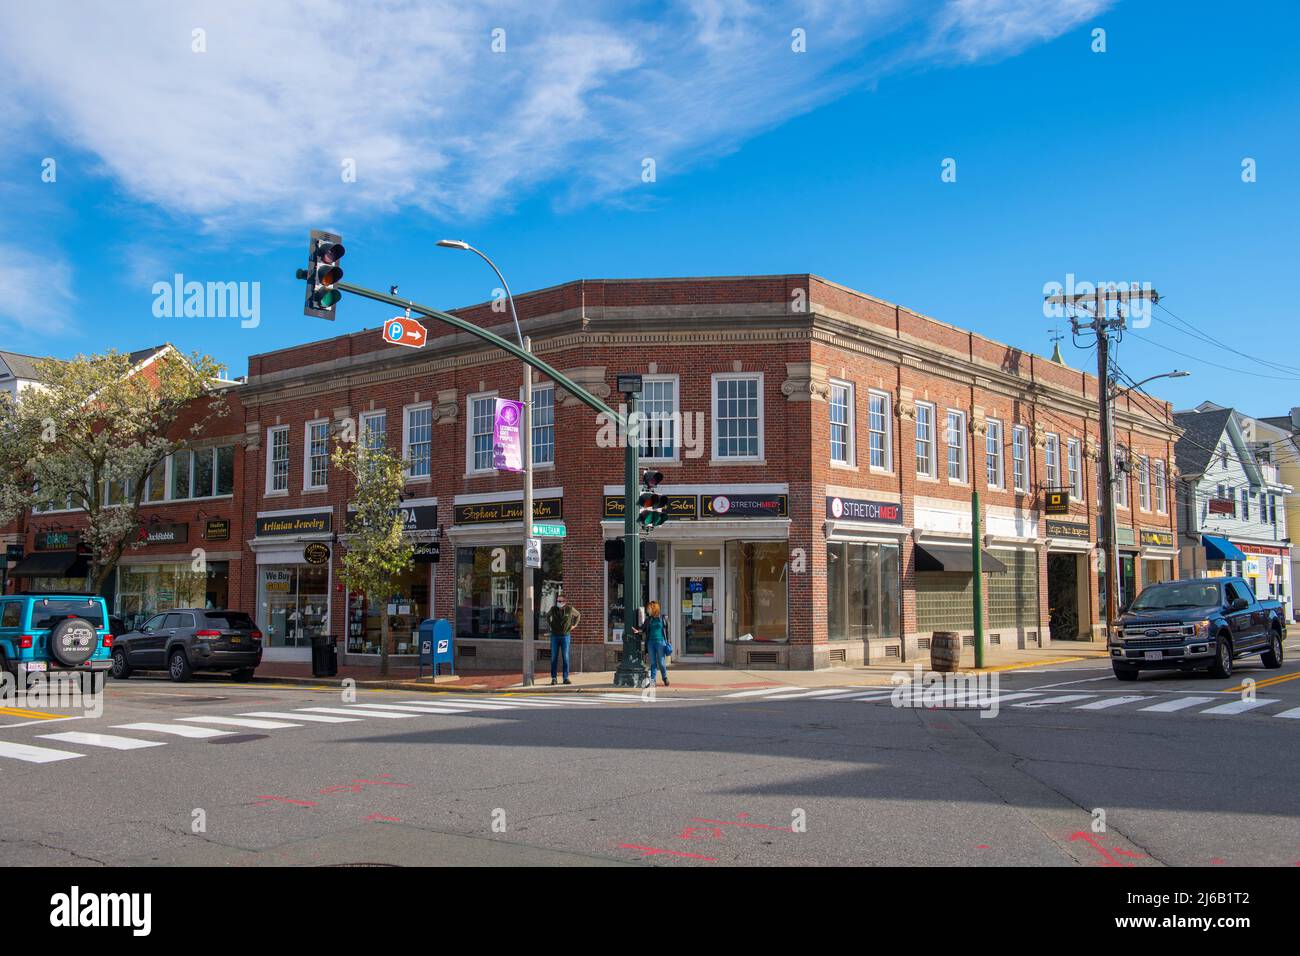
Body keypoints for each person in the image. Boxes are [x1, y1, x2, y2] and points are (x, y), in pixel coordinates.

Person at [546, 592, 581, 685]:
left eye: (560, 601)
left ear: (565, 601)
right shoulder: (553, 609)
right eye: (557, 600)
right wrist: (551, 625)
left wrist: (574, 625)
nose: (558, 602)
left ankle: (565, 678)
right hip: (555, 636)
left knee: (565, 657)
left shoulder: (569, 609)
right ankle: (554, 678)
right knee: (554, 657)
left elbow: (578, 615)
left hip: (565, 636)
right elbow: (547, 616)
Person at [644, 599, 669, 686]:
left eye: (649, 608)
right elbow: (643, 628)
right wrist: (638, 631)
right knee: (653, 662)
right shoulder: (649, 619)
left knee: (661, 663)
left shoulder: (663, 618)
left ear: (654, 609)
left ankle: (664, 677)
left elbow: (666, 631)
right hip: (651, 643)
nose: (648, 610)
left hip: (660, 642)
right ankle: (653, 680)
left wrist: (667, 642)